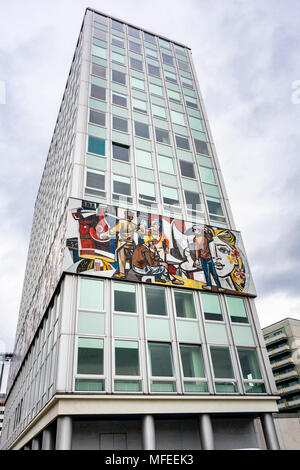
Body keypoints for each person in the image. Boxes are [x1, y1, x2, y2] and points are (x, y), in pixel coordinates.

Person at [100, 210, 146, 278]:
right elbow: (142, 231)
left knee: (122, 260)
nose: (132, 217)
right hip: (131, 245)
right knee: (131, 259)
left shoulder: (122, 223)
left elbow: (111, 232)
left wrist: (102, 235)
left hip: (123, 244)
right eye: (131, 216)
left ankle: (122, 273)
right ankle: (133, 272)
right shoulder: (132, 225)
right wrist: (143, 225)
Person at [192, 225, 225, 291]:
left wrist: (207, 231)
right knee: (206, 273)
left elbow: (211, 238)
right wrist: (197, 259)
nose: (196, 231)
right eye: (195, 230)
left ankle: (219, 287)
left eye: (197, 229)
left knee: (214, 273)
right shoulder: (195, 239)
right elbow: (197, 250)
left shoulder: (205, 236)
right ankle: (209, 286)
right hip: (202, 258)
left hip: (209, 257)